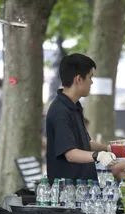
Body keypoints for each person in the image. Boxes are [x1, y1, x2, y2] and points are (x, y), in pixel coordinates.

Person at [46, 53, 120, 183]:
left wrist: (109, 149)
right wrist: (98, 156)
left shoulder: (74, 105)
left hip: (84, 188)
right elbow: (70, 154)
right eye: (90, 77)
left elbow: (84, 143)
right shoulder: (60, 111)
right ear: (79, 79)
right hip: (68, 192)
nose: (91, 82)